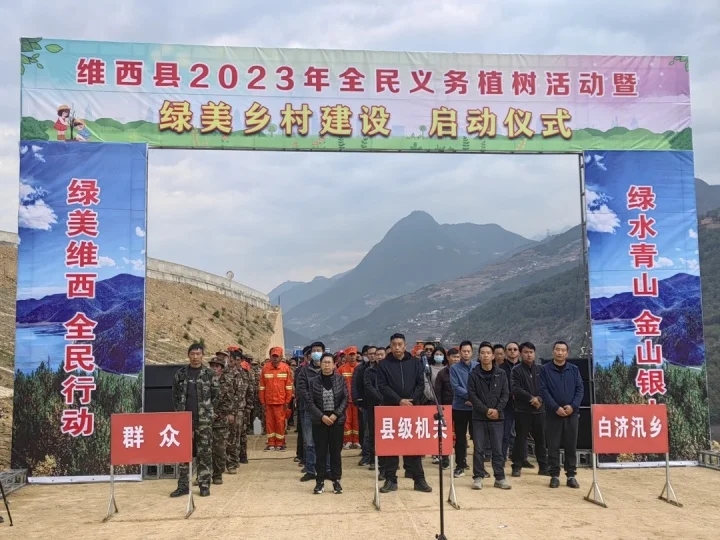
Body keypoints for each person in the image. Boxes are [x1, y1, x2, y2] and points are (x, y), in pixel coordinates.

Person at [377, 333, 432, 493]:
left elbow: (421, 384)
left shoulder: (415, 363)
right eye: (394, 344)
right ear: (390, 346)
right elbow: (382, 386)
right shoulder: (384, 364)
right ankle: (390, 480)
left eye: (400, 344)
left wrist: (411, 401)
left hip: (412, 410)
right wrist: (399, 400)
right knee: (391, 447)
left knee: (413, 446)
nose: (397, 347)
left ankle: (419, 480)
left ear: (405, 345)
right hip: (391, 409)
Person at [170, 343, 219, 498]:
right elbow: (175, 395)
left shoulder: (209, 374)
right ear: (188, 355)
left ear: (202, 355)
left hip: (203, 421)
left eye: (198, 354)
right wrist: (179, 412)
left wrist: (209, 411)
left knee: (205, 453)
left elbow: (216, 395)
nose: (195, 357)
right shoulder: (181, 374)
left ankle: (204, 484)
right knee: (184, 453)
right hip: (184, 420)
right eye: (193, 354)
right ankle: (183, 485)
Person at [539, 341, 584, 489]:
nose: (560, 353)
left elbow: (580, 389)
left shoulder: (574, 369)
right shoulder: (545, 369)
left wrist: (573, 406)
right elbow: (543, 390)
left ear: (567, 353)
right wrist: (555, 407)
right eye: (557, 350)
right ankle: (554, 475)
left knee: (571, 445)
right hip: (553, 414)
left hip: (571, 414)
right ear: (553, 351)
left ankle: (571, 475)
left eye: (563, 350)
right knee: (553, 446)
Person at [467, 341, 511, 490]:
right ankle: (478, 477)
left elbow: (505, 394)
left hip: (497, 417)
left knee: (497, 449)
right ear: (479, 356)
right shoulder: (473, 374)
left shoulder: (501, 374)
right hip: (479, 417)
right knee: (479, 449)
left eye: (488, 353)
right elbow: (472, 395)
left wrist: (497, 410)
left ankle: (500, 477)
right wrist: (485, 410)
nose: (485, 355)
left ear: (493, 356)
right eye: (482, 353)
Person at [306, 352, 348, 494]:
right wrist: (322, 416)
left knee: (336, 452)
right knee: (321, 452)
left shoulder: (340, 380)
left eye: (329, 362)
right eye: (324, 362)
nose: (327, 365)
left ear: (334, 365)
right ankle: (320, 482)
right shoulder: (313, 381)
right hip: (320, 421)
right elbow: (310, 402)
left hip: (336, 421)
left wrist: (335, 415)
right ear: (320, 364)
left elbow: (345, 399)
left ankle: (336, 481)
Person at [511, 342, 549, 477]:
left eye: (531, 352)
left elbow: (546, 387)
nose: (529, 355)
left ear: (534, 354)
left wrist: (539, 398)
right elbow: (515, 388)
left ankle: (543, 466)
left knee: (541, 439)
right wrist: (531, 398)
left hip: (540, 410)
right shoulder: (516, 370)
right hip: (523, 411)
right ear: (521, 354)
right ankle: (517, 466)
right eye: (526, 352)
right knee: (520, 439)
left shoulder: (541, 369)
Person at [296, 341, 325, 481]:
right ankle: (310, 470)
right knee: (309, 442)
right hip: (308, 411)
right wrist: (313, 403)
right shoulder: (304, 371)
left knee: (325, 442)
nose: (316, 353)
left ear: (323, 352)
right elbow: (302, 390)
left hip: (325, 412)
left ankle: (326, 469)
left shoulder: (329, 369)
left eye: (318, 350)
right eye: (314, 350)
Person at [449, 340, 477, 478]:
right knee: (460, 438)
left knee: (478, 438)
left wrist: (474, 399)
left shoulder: (477, 366)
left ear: (472, 352)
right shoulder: (454, 368)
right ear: (460, 352)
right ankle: (460, 465)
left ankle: (479, 468)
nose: (466, 353)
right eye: (464, 351)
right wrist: (470, 397)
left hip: (476, 408)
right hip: (460, 407)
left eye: (468, 351)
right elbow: (455, 387)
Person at [208, 355, 236, 485]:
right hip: (206, 419)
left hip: (220, 420)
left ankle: (217, 474)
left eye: (217, 366)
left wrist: (217, 414)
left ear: (222, 368)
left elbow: (229, 402)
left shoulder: (227, 382)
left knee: (219, 449)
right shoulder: (204, 380)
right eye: (212, 366)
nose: (214, 368)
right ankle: (204, 475)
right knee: (205, 449)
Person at [259, 346, 294, 451]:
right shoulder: (265, 368)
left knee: (280, 423)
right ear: (270, 357)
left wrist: (287, 401)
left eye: (277, 356)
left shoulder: (285, 368)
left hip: (281, 402)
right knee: (269, 423)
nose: (274, 358)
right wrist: (262, 401)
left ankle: (280, 443)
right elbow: (262, 386)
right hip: (269, 402)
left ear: (281, 357)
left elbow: (289, 386)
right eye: (273, 356)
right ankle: (271, 443)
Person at [434, 347, 459, 470]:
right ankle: (444, 459)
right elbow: (437, 393)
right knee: (445, 435)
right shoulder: (442, 374)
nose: (456, 359)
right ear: (448, 358)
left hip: (461, 408)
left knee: (460, 434)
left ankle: (461, 461)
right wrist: (439, 408)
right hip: (446, 408)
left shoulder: (464, 372)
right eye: (453, 357)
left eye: (458, 357)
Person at [363, 345, 384, 477]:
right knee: (373, 433)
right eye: (377, 355)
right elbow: (368, 386)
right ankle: (373, 459)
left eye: (382, 354)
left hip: (388, 406)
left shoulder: (389, 369)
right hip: (373, 405)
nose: (379, 357)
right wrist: (380, 397)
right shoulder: (368, 371)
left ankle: (387, 462)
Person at [353, 345, 375, 466]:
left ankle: (378, 457)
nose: (371, 356)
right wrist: (358, 401)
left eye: (374, 353)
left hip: (382, 404)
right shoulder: (361, 369)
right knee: (367, 431)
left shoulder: (383, 368)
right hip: (366, 404)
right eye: (368, 354)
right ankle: (367, 455)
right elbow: (356, 386)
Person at [498, 342, 520, 462]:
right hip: (506, 405)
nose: (512, 351)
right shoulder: (500, 369)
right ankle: (502, 457)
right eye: (510, 349)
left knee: (521, 434)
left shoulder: (523, 367)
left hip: (522, 405)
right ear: (506, 352)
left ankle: (521, 457)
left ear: (519, 352)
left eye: (515, 349)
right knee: (505, 433)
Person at [338, 346, 360, 448]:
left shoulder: (360, 368)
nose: (352, 357)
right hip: (345, 400)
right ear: (346, 356)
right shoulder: (341, 369)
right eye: (350, 355)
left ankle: (356, 440)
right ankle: (348, 440)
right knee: (347, 420)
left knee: (356, 421)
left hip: (357, 400)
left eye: (354, 354)